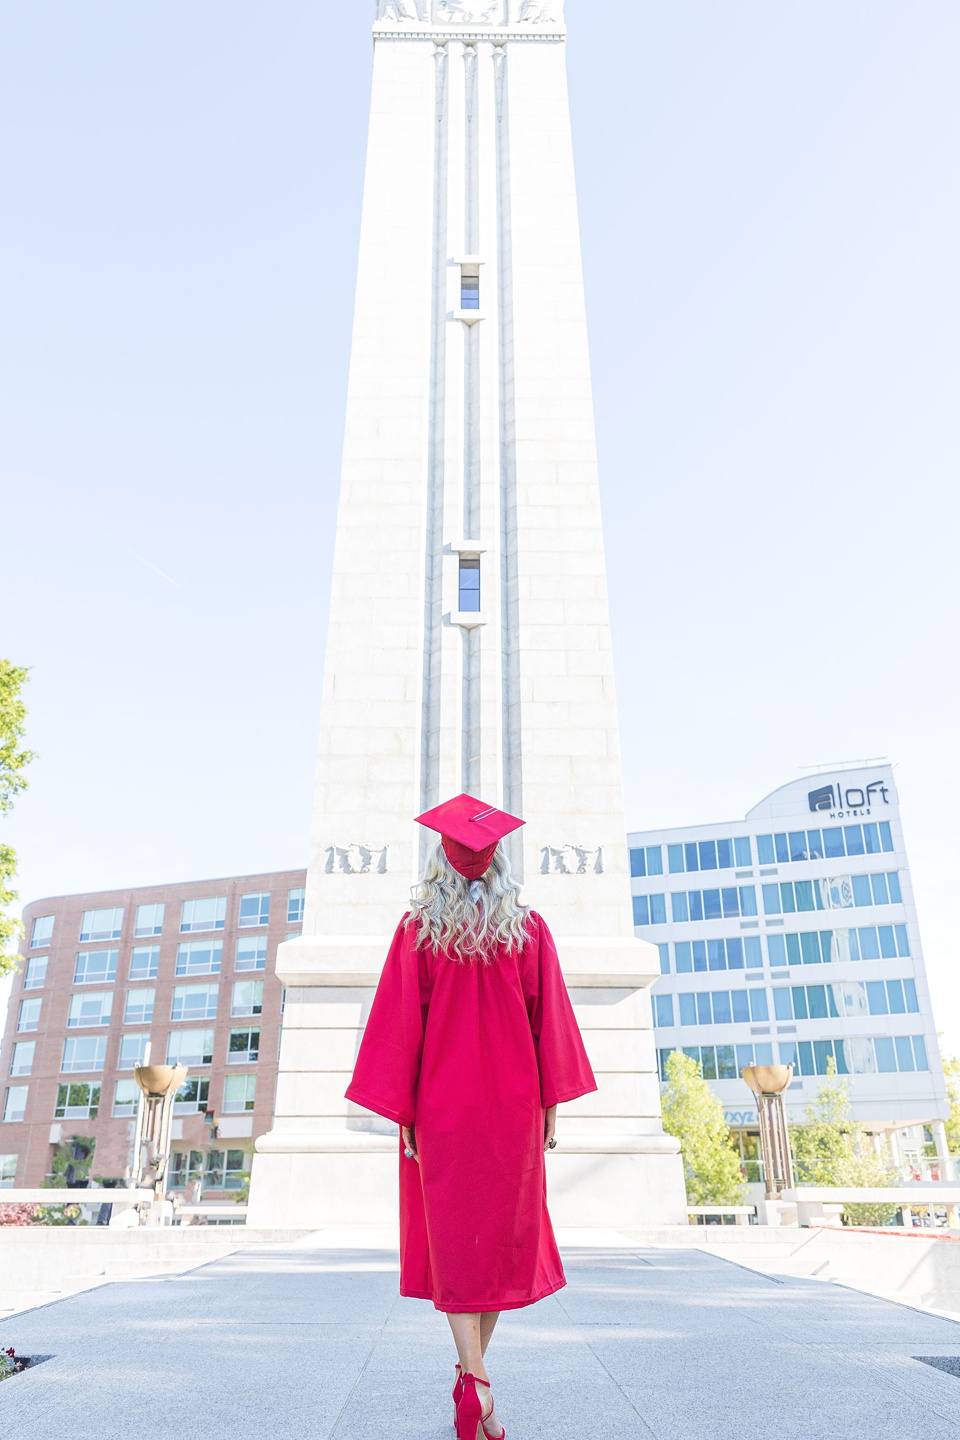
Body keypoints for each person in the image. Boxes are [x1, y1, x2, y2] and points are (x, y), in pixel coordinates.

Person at [346, 794, 597, 1440]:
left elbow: (401, 1025)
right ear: (498, 866)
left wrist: (403, 1110)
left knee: (458, 1250)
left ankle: (473, 1382)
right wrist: (549, 1107)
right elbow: (551, 1026)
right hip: (511, 1108)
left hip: (443, 1111)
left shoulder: (418, 932)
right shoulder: (528, 930)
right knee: (500, 1251)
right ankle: (476, 1383)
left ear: (441, 864)